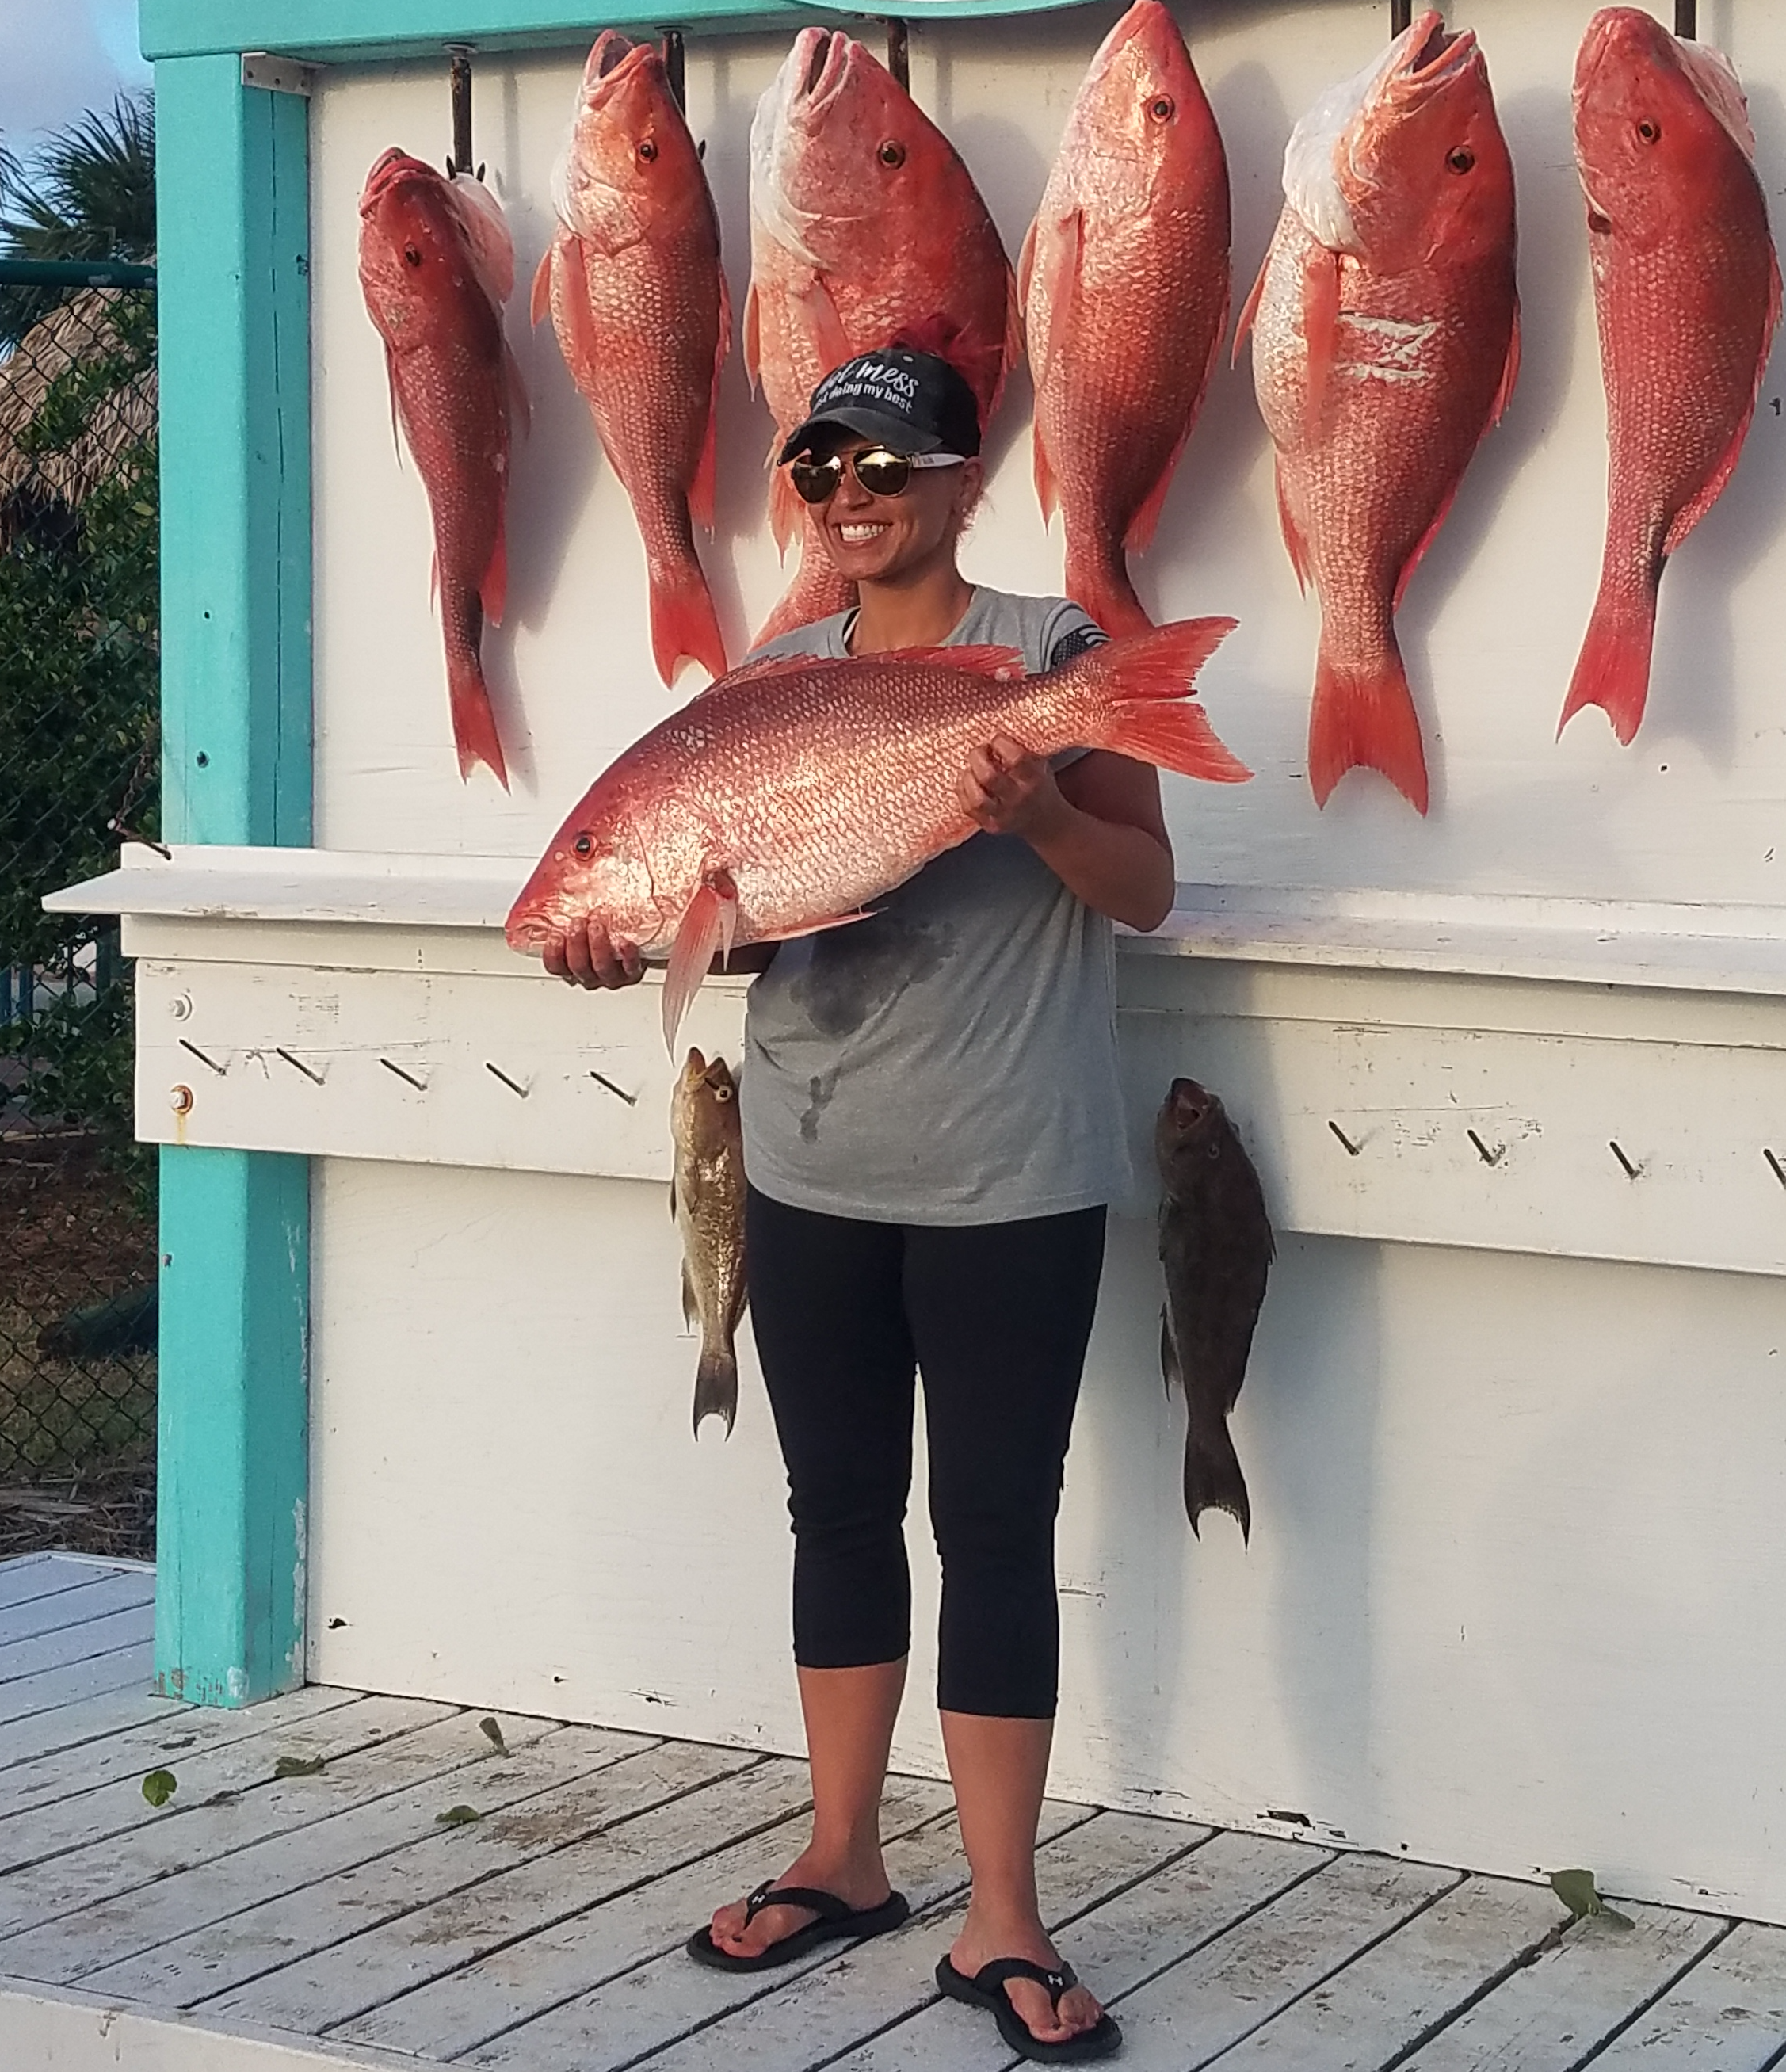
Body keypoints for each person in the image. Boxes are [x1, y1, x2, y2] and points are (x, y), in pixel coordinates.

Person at [544, 341, 1173, 2062]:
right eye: (819, 469)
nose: (852, 496)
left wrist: (1038, 806)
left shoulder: (1055, 656)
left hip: (1008, 1173)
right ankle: (842, 1852)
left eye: (887, 466)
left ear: (968, 476)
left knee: (992, 1529)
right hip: (809, 1167)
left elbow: (1145, 892)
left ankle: (1003, 1912)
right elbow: (735, 914)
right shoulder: (776, 671)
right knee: (835, 1511)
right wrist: (626, 935)